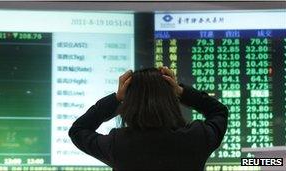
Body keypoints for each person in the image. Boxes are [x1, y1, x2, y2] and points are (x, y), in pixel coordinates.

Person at [69, 67, 228, 171]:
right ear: (171, 100)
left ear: (130, 104)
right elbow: (218, 111)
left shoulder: (118, 144)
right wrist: (181, 91)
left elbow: (78, 130)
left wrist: (117, 98)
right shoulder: (197, 137)